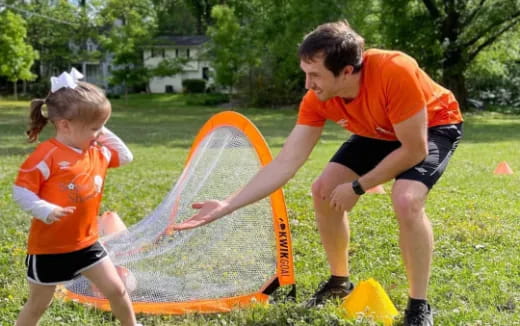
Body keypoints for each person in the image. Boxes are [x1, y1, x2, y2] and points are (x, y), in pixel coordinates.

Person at [173, 20, 463, 326]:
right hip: (378, 130)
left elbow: (414, 150)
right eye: (305, 74)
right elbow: (285, 163)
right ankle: (339, 282)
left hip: (432, 127)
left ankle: (418, 305)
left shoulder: (395, 70)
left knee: (406, 200)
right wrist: (228, 204)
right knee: (323, 189)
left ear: (347, 71)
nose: (308, 85)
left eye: (315, 75)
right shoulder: (318, 99)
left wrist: (358, 186)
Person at [12, 69, 140, 326]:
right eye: (95, 128)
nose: (100, 134)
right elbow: (21, 190)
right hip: (49, 250)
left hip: (86, 244)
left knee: (116, 289)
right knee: (38, 305)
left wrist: (98, 126)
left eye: (102, 127)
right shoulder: (47, 155)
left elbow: (126, 157)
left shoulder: (97, 152)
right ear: (65, 125)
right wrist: (44, 209)